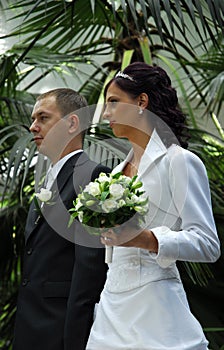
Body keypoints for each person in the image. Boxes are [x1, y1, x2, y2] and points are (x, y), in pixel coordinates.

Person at [86, 62, 221, 350]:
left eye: (113, 102)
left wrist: (147, 239)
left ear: (141, 102)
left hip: (157, 310)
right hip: (111, 308)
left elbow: (208, 244)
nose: (105, 113)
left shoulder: (180, 161)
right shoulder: (112, 176)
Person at [13, 88, 110, 350]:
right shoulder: (47, 181)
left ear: (72, 123)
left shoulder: (93, 177)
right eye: (33, 119)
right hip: (29, 326)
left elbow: (89, 270)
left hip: (60, 330)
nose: (33, 127)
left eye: (43, 118)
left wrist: (75, 341)